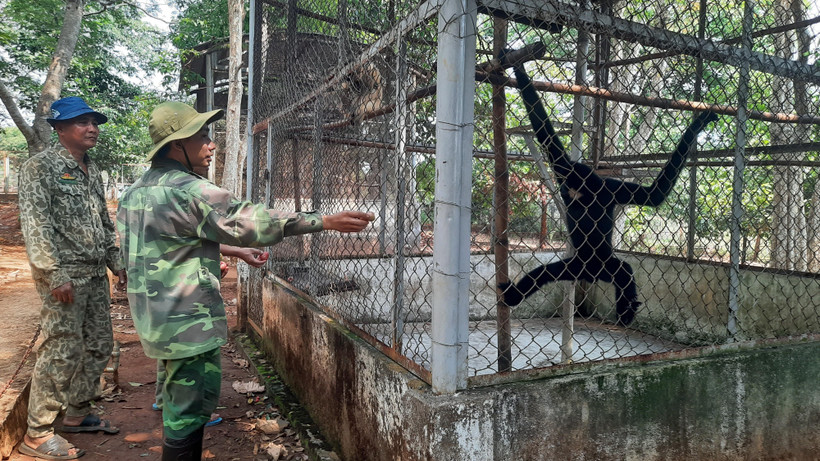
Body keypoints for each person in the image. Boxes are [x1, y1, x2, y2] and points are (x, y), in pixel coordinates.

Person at [117, 101, 373, 460]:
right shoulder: (191, 190)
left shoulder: (135, 191)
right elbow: (248, 220)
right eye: (202, 137)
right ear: (177, 146)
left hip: (155, 316)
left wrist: (232, 253)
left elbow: (175, 238)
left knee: (177, 394)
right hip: (186, 321)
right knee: (189, 413)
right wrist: (322, 221)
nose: (211, 144)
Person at [18, 96, 126, 460]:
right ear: (59, 128)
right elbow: (37, 224)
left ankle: (78, 414)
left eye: (94, 121)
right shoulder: (40, 167)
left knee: (98, 345)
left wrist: (116, 262)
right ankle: (37, 433)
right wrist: (54, 273)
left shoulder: (92, 169)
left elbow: (102, 220)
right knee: (61, 350)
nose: (92, 128)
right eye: (82, 122)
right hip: (64, 278)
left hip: (95, 274)